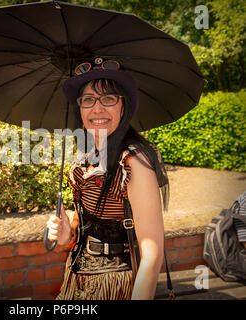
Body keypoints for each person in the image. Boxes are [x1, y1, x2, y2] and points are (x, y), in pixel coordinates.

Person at [46, 57, 170, 300]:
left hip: (116, 284)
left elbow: (152, 254)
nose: (97, 109)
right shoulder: (85, 157)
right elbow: (84, 222)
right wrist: (65, 235)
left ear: (123, 106)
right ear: (80, 108)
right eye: (88, 99)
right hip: (74, 279)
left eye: (109, 98)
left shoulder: (134, 162)